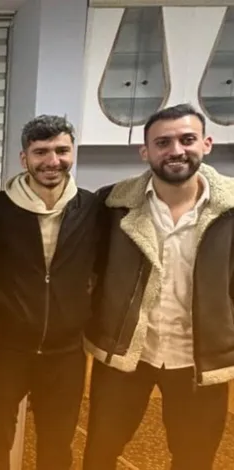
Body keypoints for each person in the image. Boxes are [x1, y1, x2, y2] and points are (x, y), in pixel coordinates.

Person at [83, 103, 234, 470]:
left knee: (194, 459)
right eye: (163, 142)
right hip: (126, 353)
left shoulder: (230, 211)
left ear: (207, 144)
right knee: (99, 453)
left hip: (199, 358)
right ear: (145, 151)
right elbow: (89, 269)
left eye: (187, 139)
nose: (176, 150)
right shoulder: (112, 204)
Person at [0, 115, 100, 469]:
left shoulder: (91, 209)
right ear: (24, 158)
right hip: (5, 346)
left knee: (57, 440)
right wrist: (7, 295)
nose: (52, 161)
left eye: (61, 150)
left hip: (66, 350)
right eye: (41, 151)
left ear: (72, 153)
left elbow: (101, 264)